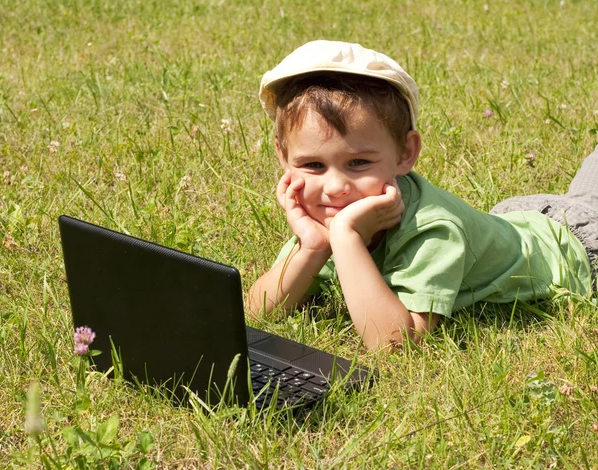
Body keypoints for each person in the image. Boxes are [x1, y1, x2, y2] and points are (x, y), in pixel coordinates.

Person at [247, 40, 597, 351]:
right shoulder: (325, 216)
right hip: (521, 220)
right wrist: (312, 246)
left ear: (405, 153)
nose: (335, 187)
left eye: (358, 162)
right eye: (312, 164)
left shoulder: (433, 228)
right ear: (282, 156)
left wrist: (345, 237)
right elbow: (256, 313)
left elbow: (396, 345)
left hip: (579, 253)